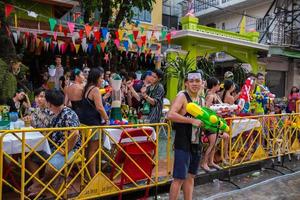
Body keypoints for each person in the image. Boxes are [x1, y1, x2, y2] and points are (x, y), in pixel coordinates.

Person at [27, 89, 81, 197]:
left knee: (50, 166)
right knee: (29, 156)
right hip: (53, 147)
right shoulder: (56, 113)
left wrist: (65, 150)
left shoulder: (68, 113)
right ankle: (39, 184)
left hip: (71, 150)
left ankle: (42, 186)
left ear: (50, 103)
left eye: (46, 100)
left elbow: (75, 134)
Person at [167, 71, 203, 200]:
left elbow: (203, 121)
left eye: (197, 81)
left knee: (190, 176)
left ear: (201, 83)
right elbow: (170, 115)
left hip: (196, 142)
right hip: (183, 142)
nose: (194, 84)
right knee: (179, 178)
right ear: (186, 83)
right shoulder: (182, 96)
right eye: (191, 81)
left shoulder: (201, 100)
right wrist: (191, 121)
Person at [76, 67, 110, 177]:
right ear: (96, 78)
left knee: (88, 150)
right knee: (93, 151)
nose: (102, 80)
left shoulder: (86, 88)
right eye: (101, 78)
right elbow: (100, 107)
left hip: (85, 122)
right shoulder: (95, 89)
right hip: (93, 123)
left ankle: (87, 174)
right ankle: (93, 176)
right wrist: (107, 119)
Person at [202, 77, 224, 171]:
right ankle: (204, 163)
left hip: (216, 121)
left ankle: (210, 161)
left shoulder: (215, 95)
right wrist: (216, 112)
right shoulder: (210, 96)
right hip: (211, 123)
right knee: (212, 144)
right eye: (218, 84)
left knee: (214, 144)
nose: (219, 86)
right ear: (214, 85)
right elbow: (206, 110)